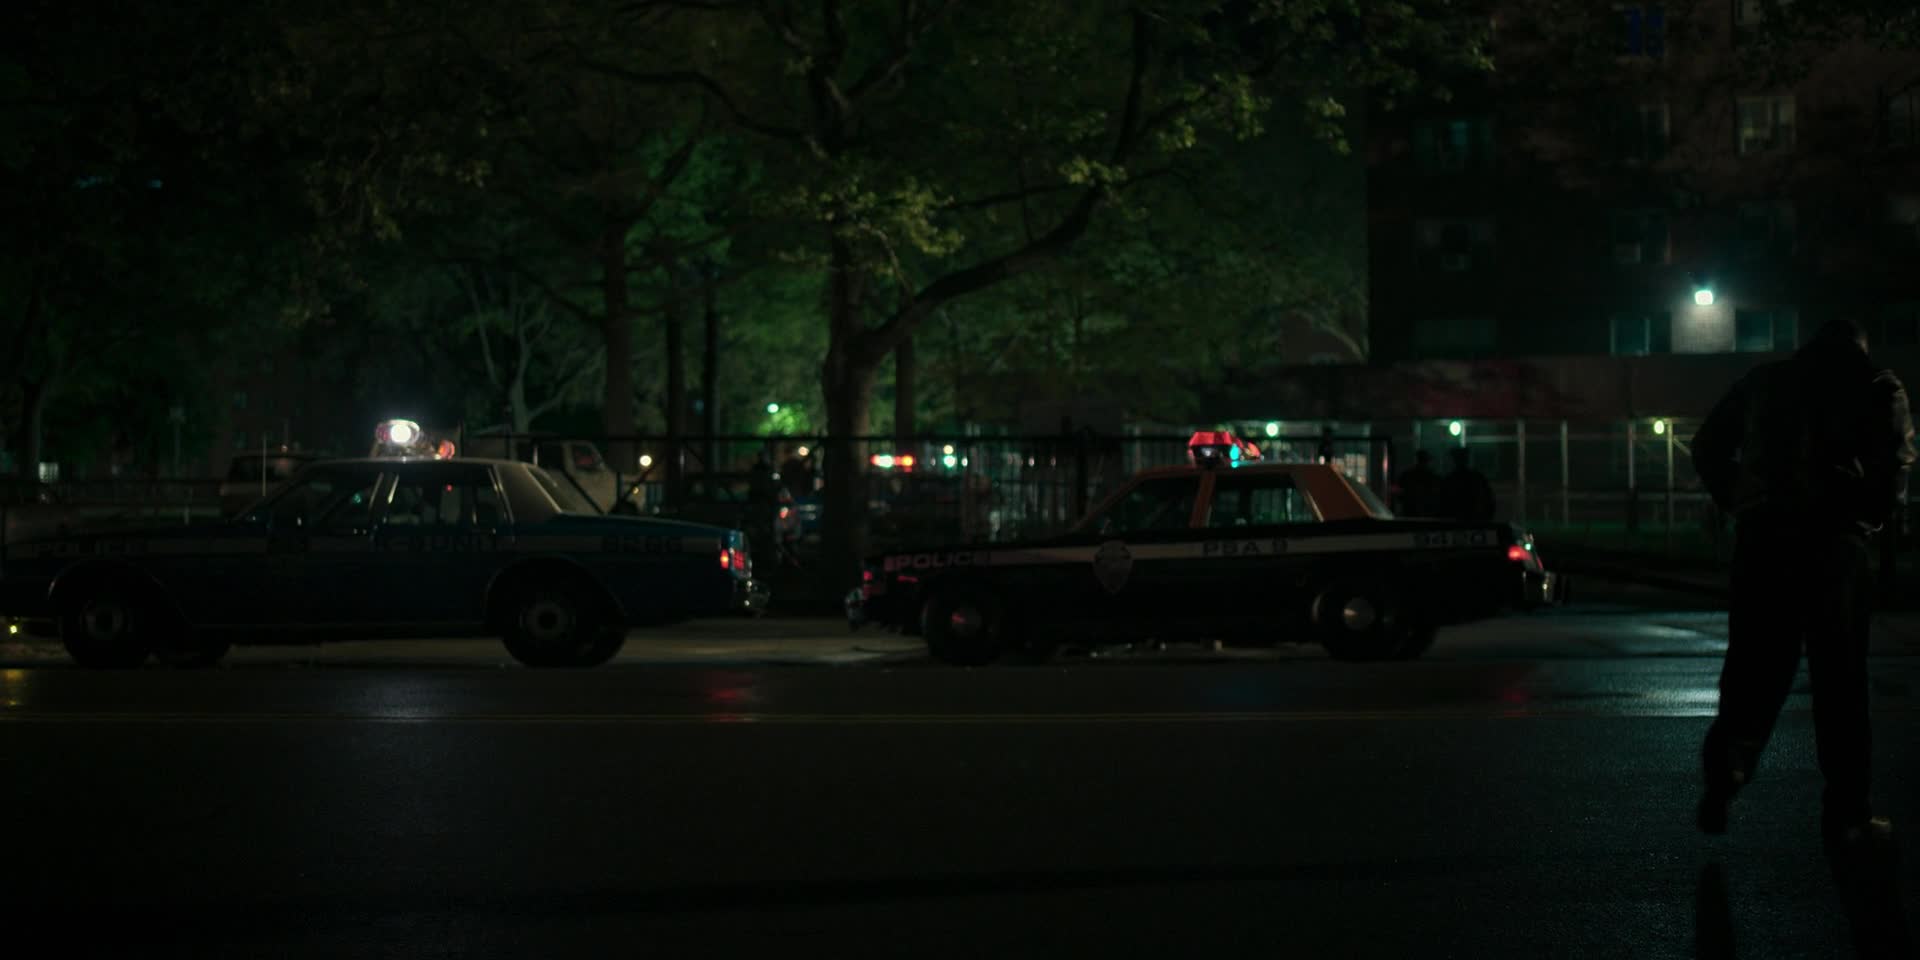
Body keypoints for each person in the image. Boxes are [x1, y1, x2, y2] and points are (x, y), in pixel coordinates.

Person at [1690, 316, 1916, 857]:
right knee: (1841, 683)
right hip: (1835, 546)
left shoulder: (1765, 382)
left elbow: (1707, 446)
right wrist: (1868, 515)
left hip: (1763, 540)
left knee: (1753, 666)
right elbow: (1894, 470)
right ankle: (1848, 814)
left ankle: (1728, 769)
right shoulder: (1877, 386)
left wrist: (1741, 500)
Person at [1438, 446, 1495, 522]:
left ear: (1454, 460)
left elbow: (1442, 503)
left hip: (1455, 520)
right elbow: (1488, 500)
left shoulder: (1450, 479)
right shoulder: (1477, 477)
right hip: (1474, 520)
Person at [1394, 449, 1441, 517]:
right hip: (1426, 511)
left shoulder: (1407, 474)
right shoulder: (1432, 476)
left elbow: (1399, 492)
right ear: (1428, 461)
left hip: (1410, 510)